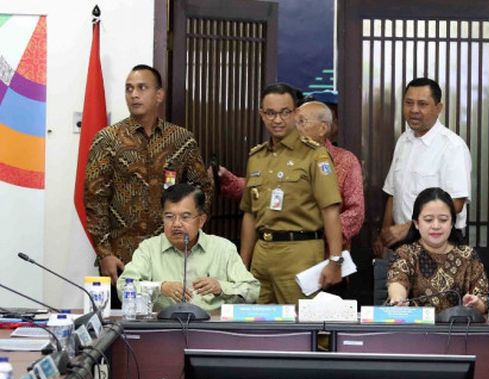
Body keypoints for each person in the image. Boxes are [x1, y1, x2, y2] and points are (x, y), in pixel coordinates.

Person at [84, 64, 213, 295]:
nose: (134, 94)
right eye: (129, 89)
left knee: (172, 324)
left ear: (159, 95)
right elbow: (95, 200)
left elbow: (201, 193)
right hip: (122, 259)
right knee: (123, 326)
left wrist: (190, 242)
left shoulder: (181, 140)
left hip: (171, 255)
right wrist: (105, 254)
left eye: (142, 88)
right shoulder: (107, 140)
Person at [239, 82, 344, 304]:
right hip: (262, 254)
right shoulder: (256, 157)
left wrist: (335, 260)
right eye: (270, 113)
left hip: (300, 254)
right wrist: (242, 264)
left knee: (301, 328)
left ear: (296, 113)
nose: (277, 120)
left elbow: (331, 210)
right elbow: (249, 214)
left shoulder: (315, 155)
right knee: (257, 328)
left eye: (285, 112)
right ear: (262, 114)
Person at [117, 184, 259, 312]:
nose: (176, 224)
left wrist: (221, 287)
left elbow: (253, 289)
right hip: (164, 328)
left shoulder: (223, 249)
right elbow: (123, 287)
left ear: (201, 220)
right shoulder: (149, 249)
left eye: (185, 217)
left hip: (212, 329)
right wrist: (160, 288)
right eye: (169, 216)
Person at [373, 77, 472, 255]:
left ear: (438, 108)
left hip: (438, 243)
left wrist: (408, 228)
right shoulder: (404, 141)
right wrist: (385, 233)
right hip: (401, 244)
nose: (414, 110)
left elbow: (456, 203)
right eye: (409, 103)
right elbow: (393, 191)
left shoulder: (452, 146)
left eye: (422, 104)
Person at [386, 187, 489, 315]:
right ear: (416, 223)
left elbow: (484, 301)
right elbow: (398, 281)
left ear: (452, 223)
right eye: (428, 220)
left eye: (443, 220)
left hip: (459, 331)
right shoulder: (406, 253)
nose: (436, 226)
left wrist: (476, 303)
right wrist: (398, 298)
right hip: (417, 332)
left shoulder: (468, 256)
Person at [295, 100, 365, 249]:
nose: (295, 127)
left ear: (322, 128)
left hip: (328, 253)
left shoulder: (345, 161)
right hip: (290, 251)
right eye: (294, 122)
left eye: (302, 122)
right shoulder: (286, 158)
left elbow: (356, 213)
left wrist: (321, 230)